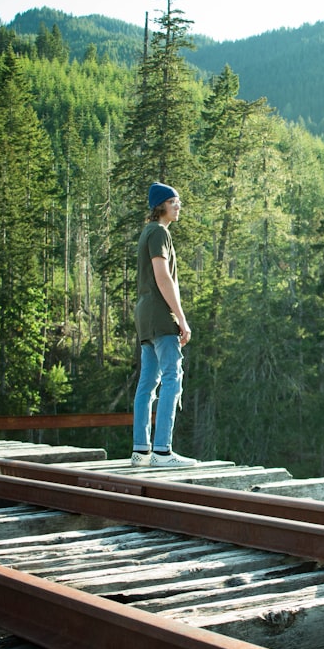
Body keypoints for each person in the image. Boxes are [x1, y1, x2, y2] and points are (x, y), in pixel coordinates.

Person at [131, 182, 197, 467]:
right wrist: (181, 317)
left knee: (147, 383)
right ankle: (162, 452)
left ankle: (140, 451)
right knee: (172, 378)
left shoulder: (147, 232)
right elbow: (163, 276)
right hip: (160, 316)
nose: (178, 206)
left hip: (145, 316)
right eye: (174, 202)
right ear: (161, 206)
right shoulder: (159, 232)